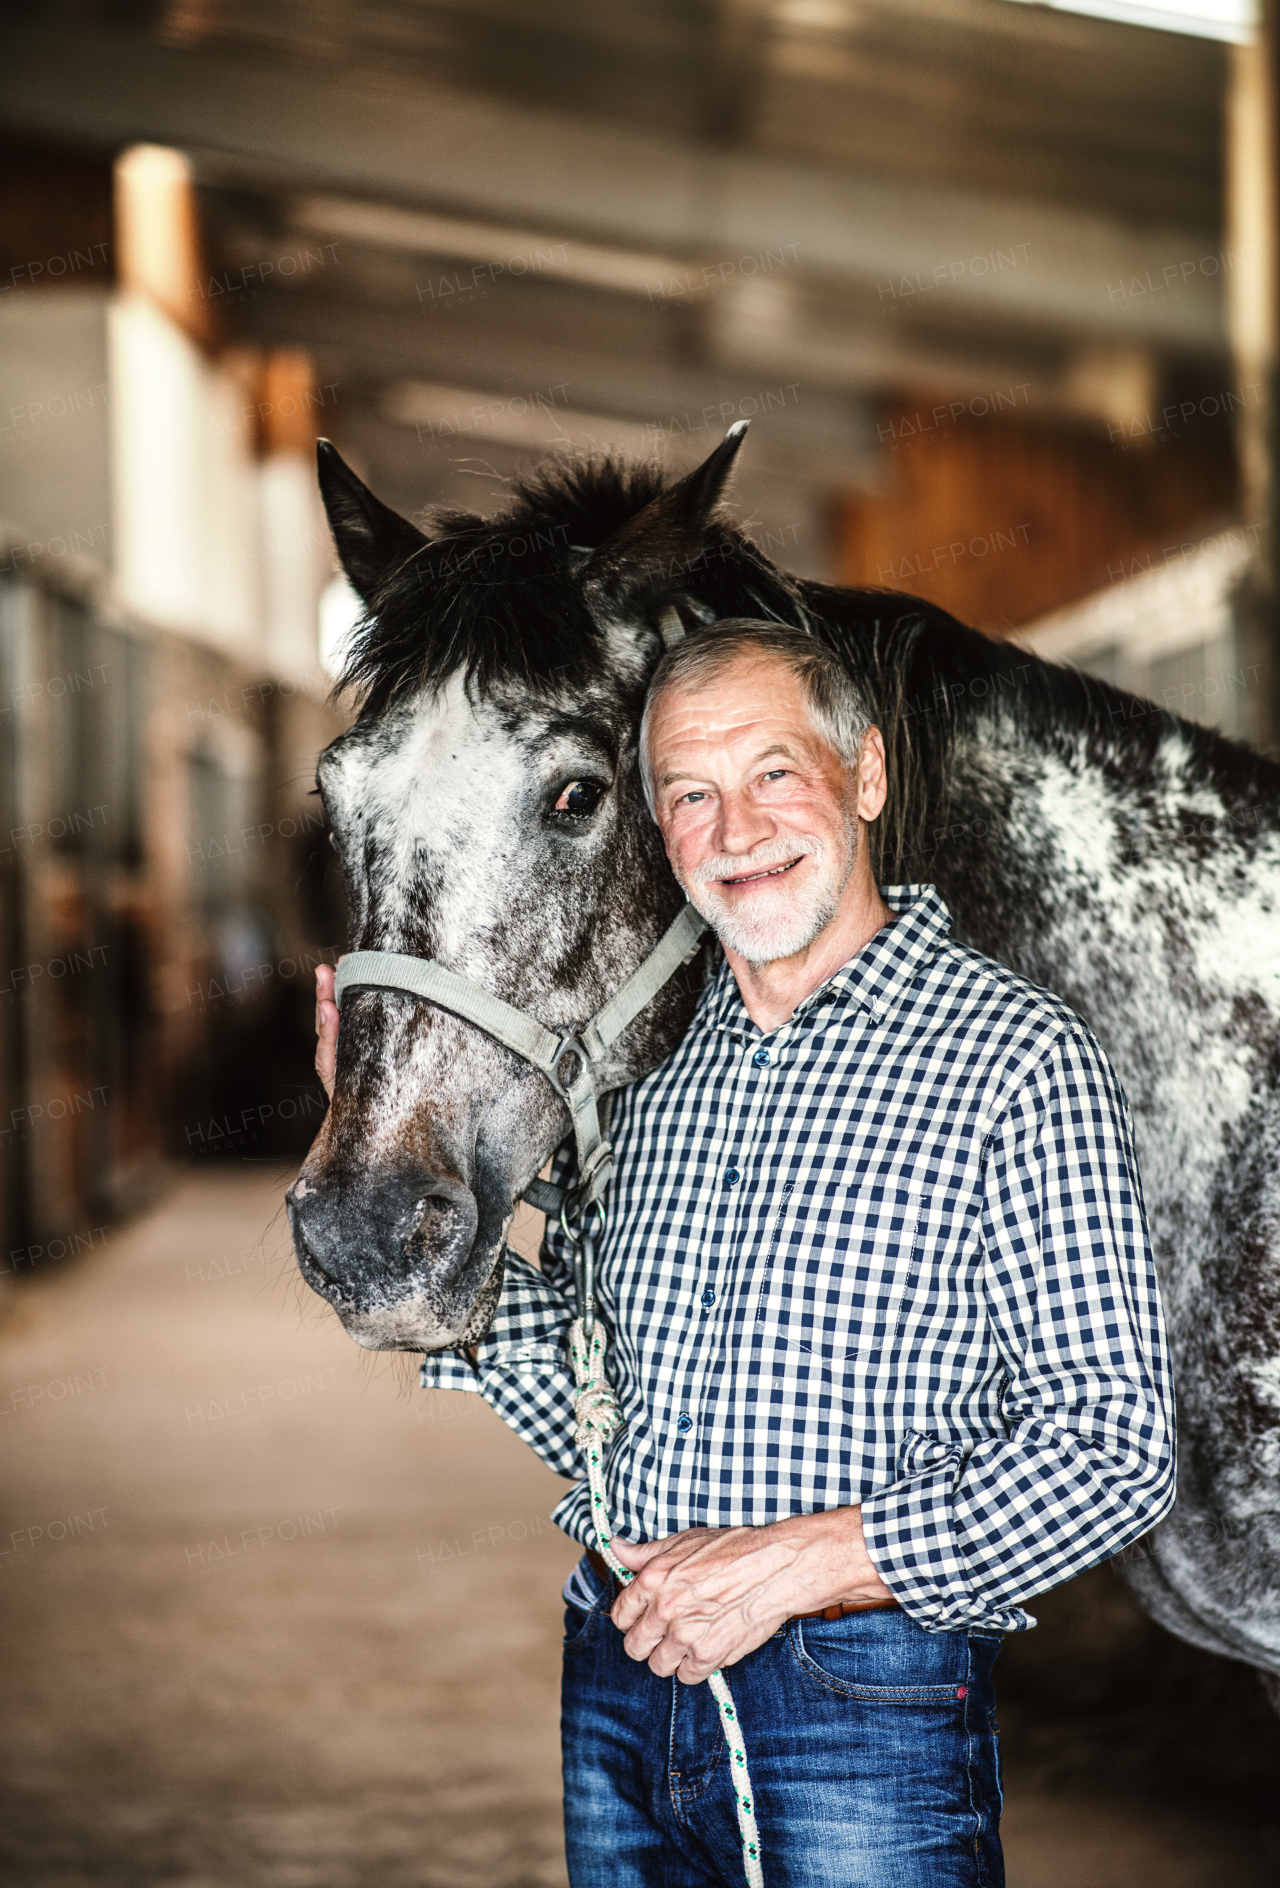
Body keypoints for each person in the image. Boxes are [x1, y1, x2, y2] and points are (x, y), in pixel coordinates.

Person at [314, 619, 1175, 1887]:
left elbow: (1111, 1452)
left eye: (774, 773)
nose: (736, 831)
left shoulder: (1013, 1062)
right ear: (657, 832)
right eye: (688, 796)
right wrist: (424, 1198)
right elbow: (602, 1411)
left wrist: (792, 1565)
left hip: (856, 1704)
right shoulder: (645, 1077)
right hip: (620, 1668)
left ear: (864, 778)